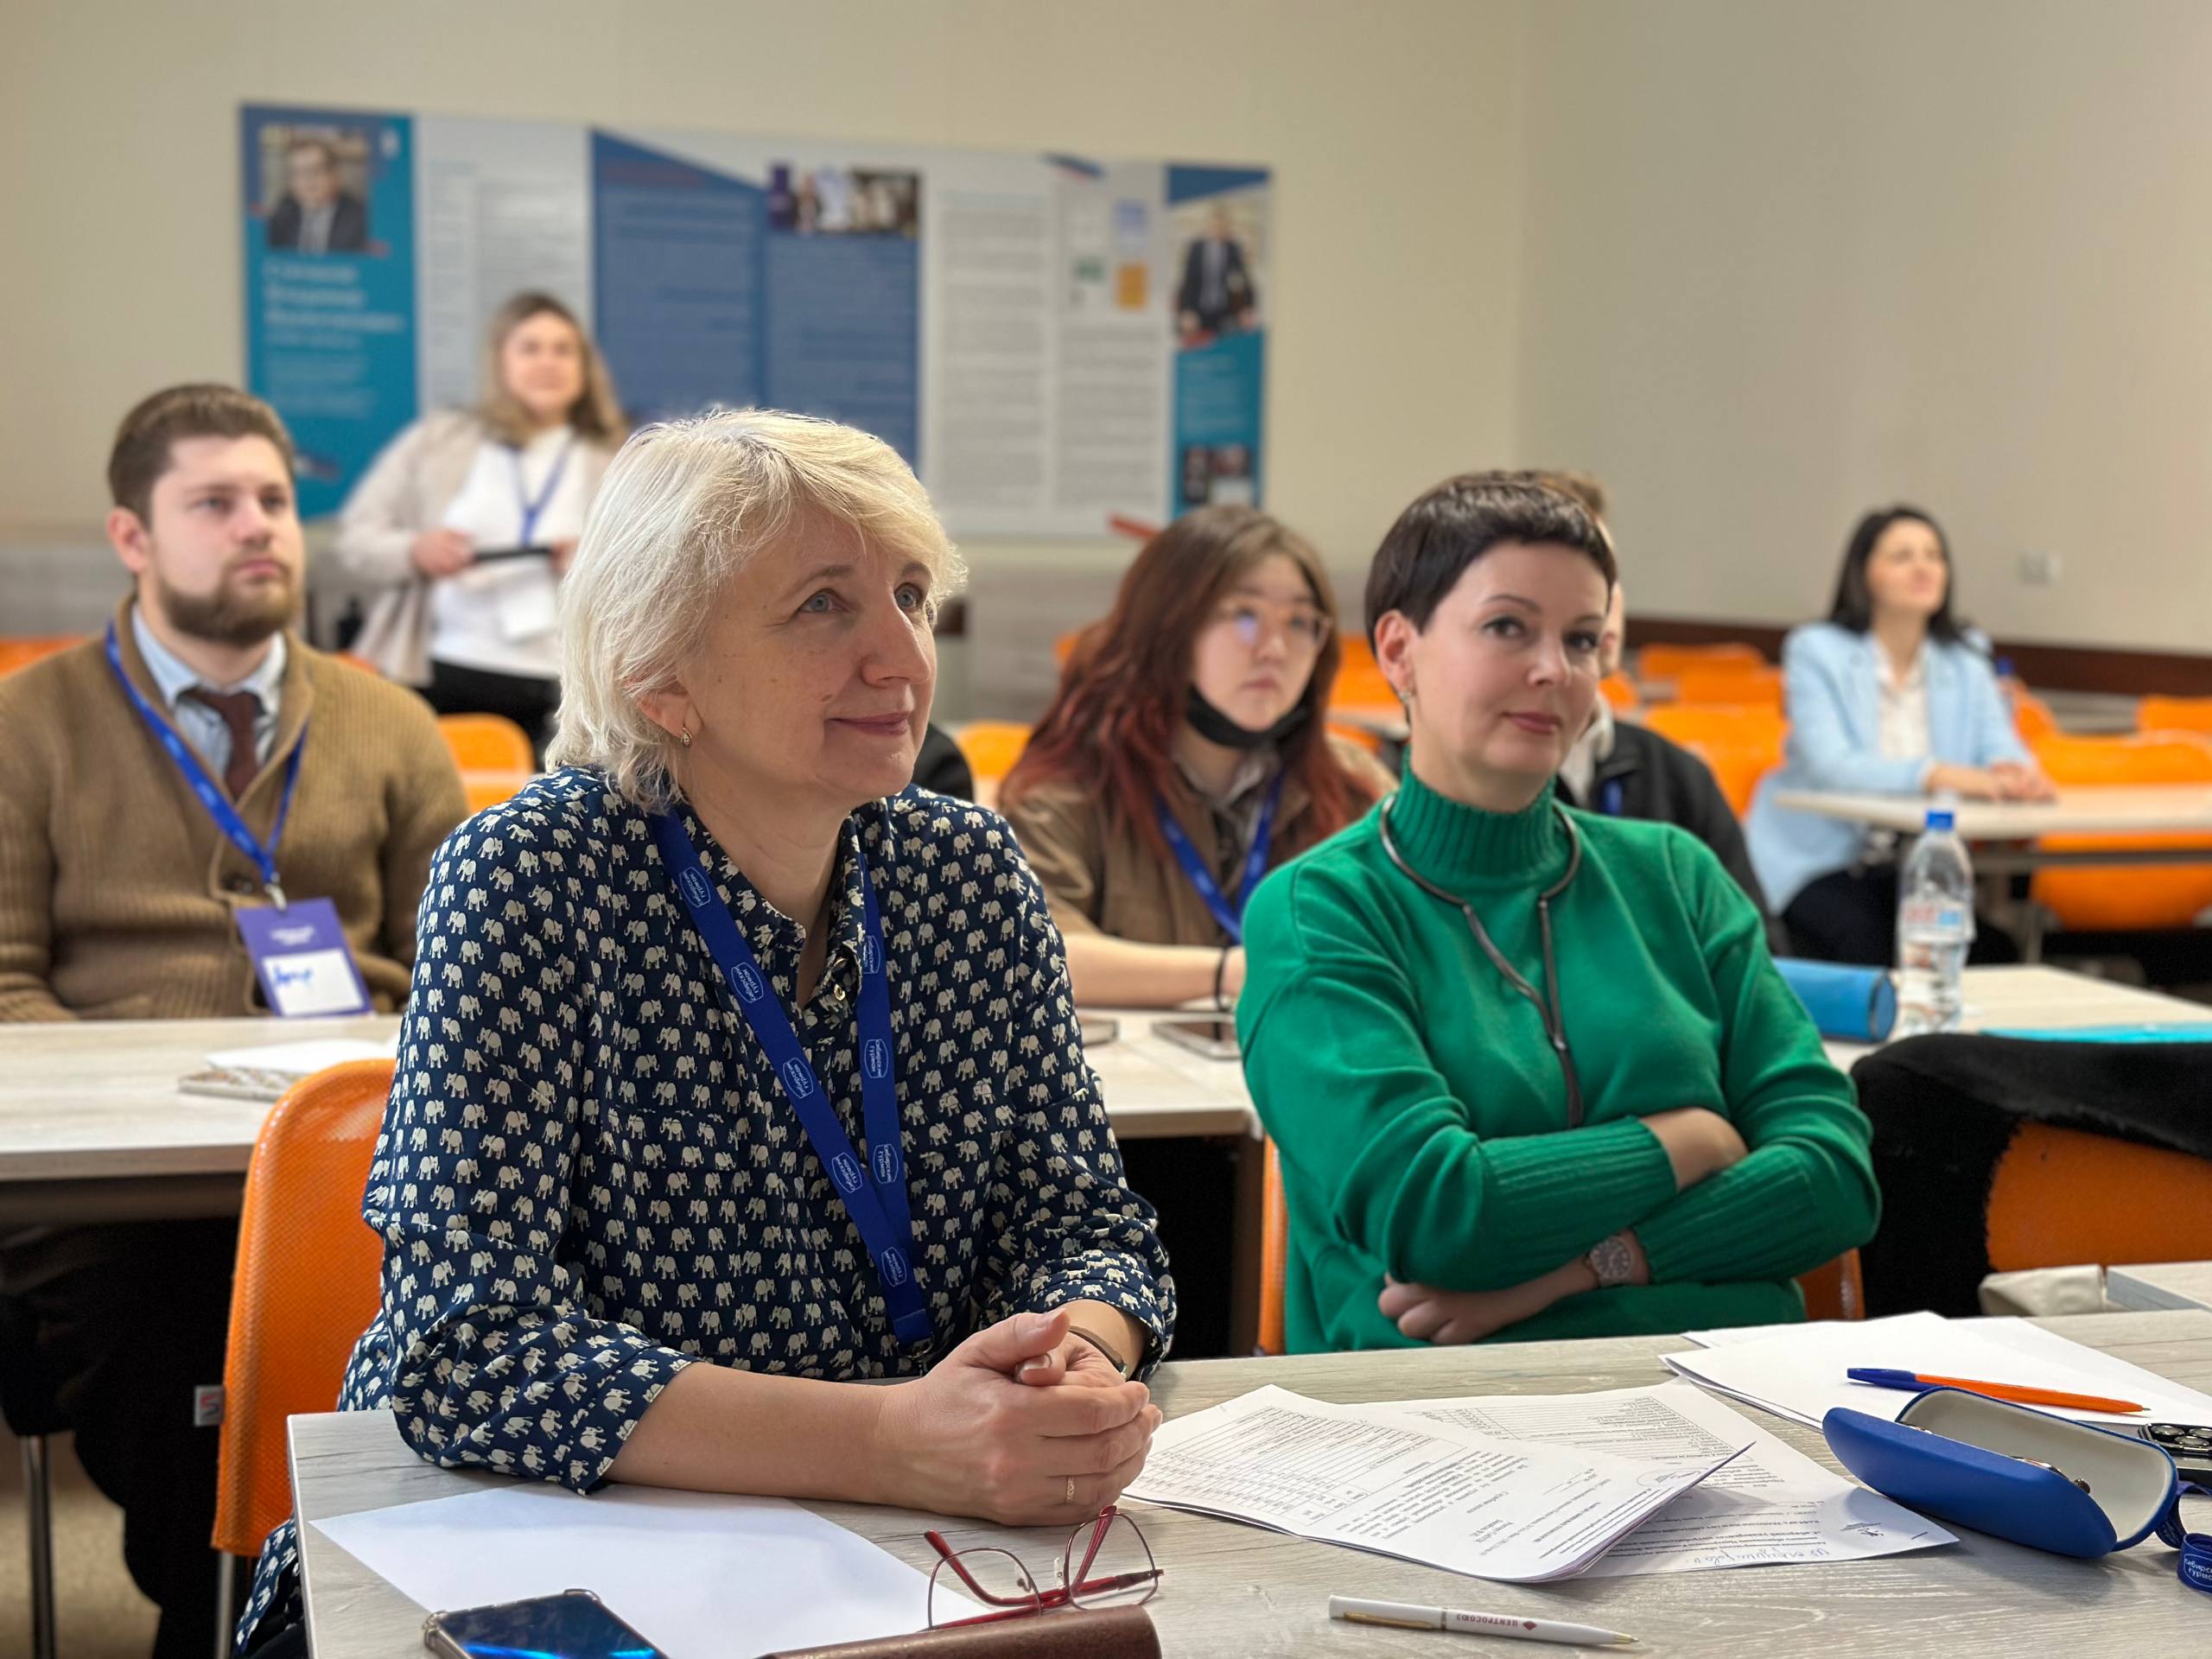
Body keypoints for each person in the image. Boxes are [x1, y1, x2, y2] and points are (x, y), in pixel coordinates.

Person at [235, 410, 1175, 1656]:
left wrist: (1077, 1363)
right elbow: (466, 1350)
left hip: (910, 1550)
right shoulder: (531, 878)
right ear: (660, 677)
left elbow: (1086, 1227)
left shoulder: (967, 874)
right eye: (823, 606)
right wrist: (894, 1439)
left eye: (910, 595)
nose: (902, 657)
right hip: (539, 1554)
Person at [0, 384, 465, 1659]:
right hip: (120, 1187)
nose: (258, 524)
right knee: (171, 1357)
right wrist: (140, 1095)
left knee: (447, 1325)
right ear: (131, 537)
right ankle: (228, 1616)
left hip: (349, 1158)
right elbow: (4, 987)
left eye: (272, 499)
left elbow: (461, 976)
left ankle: (296, 1612)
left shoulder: (389, 721)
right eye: (214, 503)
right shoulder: (27, 726)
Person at [1237, 474, 1878, 1353]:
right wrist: (1687, 1139)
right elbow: (1436, 1214)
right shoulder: (1321, 909)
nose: (1554, 670)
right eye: (1508, 627)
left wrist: (1580, 1270)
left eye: (1582, 639)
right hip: (1440, 1406)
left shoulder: (1675, 875)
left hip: (1726, 1387)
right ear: (1398, 650)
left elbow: (1835, 1176)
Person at [1000, 505, 1395, 1010]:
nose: (1275, 649)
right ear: (1170, 627)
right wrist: (1228, 974)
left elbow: (1426, 930)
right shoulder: (1073, 781)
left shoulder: (1351, 782)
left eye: (1300, 621)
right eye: (1245, 615)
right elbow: (1029, 949)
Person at [1747, 505, 2052, 965]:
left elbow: (1999, 743)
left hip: (1920, 864)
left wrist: (2016, 773)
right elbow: (1831, 766)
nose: (1923, 568)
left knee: (1994, 952)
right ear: (1863, 572)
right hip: (1823, 861)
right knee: (1870, 941)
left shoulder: (1966, 656)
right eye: (1902, 556)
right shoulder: (1816, 650)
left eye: (1934, 555)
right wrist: (1935, 774)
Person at [331, 290, 626, 754]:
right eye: (530, 348)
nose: (548, 362)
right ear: (500, 360)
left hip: (563, 686)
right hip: (443, 671)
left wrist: (594, 566)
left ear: (585, 367)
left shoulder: (615, 460)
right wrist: (414, 551)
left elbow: (647, 573)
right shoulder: (440, 441)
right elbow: (356, 539)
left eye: (563, 350)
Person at [1538, 474, 1778, 938]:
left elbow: (1757, 947)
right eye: (1574, 577)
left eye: (1609, 573)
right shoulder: (1479, 784)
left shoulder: (1678, 775)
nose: (1603, 597)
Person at [264, 136, 367, 254]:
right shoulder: (283, 212)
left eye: (315, 170)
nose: (307, 180)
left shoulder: (360, 219)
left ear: (336, 175)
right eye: (297, 173)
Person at [1176, 205, 1256, 337]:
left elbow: (1243, 281)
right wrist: (1187, 310)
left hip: (1225, 312)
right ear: (1208, 225)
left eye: (1222, 225)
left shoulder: (1233, 249)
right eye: (1215, 225)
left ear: (1227, 227)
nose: (1218, 228)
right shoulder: (1196, 248)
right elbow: (1188, 282)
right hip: (1199, 311)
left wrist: (1247, 308)